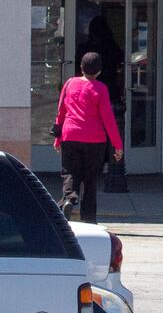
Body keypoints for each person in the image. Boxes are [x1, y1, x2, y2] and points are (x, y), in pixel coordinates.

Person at [52, 51, 122, 222]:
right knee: (90, 180)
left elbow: (61, 112)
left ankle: (69, 199)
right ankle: (89, 219)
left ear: (81, 67)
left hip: (70, 135)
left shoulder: (69, 84)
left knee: (70, 173)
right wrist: (117, 145)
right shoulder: (101, 89)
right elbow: (108, 119)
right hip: (95, 140)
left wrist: (57, 138)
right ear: (99, 71)